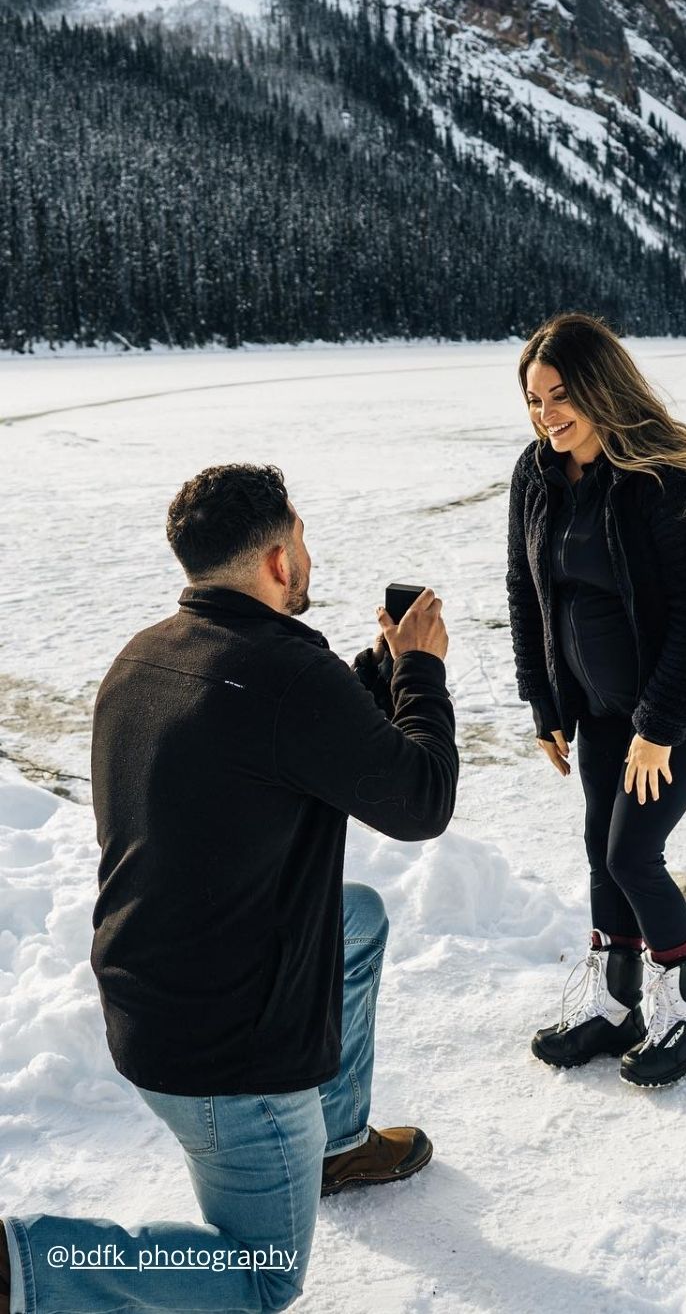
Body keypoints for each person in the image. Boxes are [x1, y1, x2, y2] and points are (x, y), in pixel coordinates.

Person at [0, 464, 458, 1314]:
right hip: (228, 1060)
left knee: (355, 919)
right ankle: (24, 1266)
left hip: (151, 994)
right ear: (279, 561)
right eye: (305, 540)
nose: (310, 557)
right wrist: (422, 673)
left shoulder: (147, 655)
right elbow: (420, 801)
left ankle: (335, 1143)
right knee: (256, 1279)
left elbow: (287, 734)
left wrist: (377, 668)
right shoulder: (286, 676)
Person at [506, 314, 686, 1088]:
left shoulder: (669, 473)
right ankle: (615, 1005)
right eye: (533, 399)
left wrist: (658, 730)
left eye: (559, 395)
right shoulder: (537, 471)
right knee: (599, 846)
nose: (546, 413)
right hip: (601, 702)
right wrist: (544, 703)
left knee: (631, 852)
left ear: (599, 388)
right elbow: (527, 591)